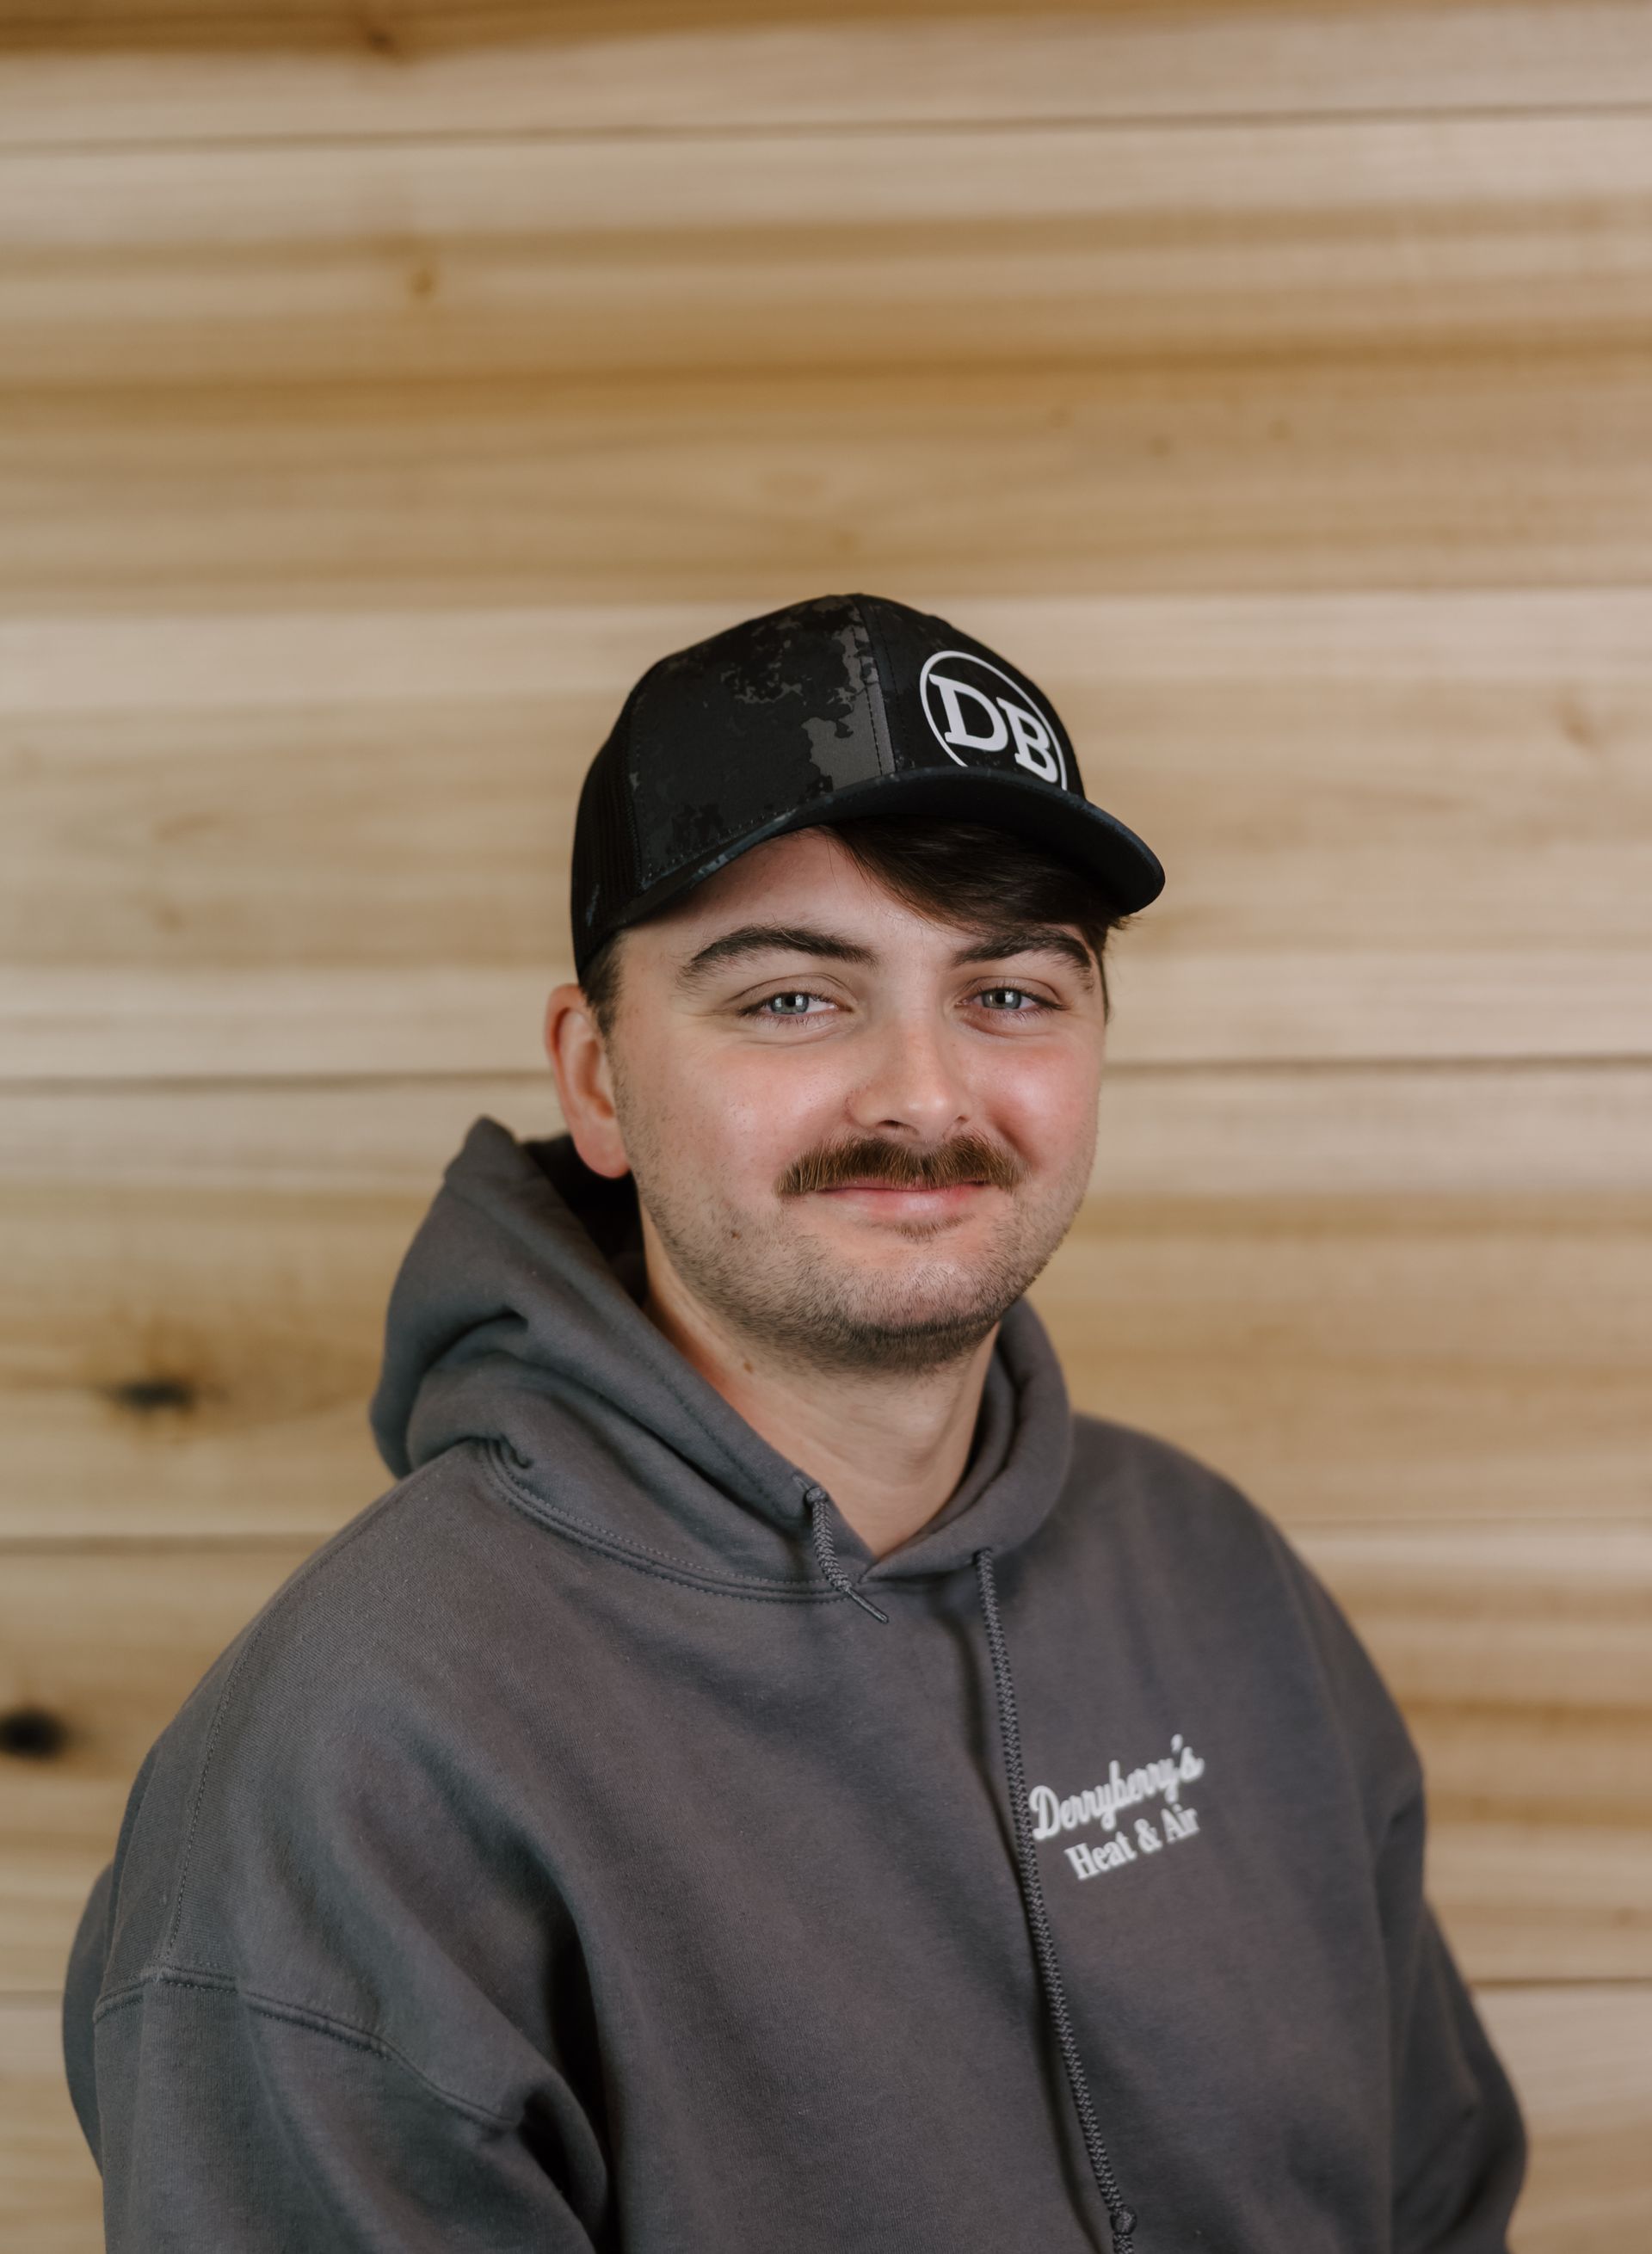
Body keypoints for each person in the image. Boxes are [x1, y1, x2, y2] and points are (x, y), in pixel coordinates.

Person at [63, 594, 1525, 2252]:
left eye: (1013, 994)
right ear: (598, 1077)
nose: (923, 1092)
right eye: (790, 1000)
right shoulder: (355, 1767)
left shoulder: (1220, 1586)